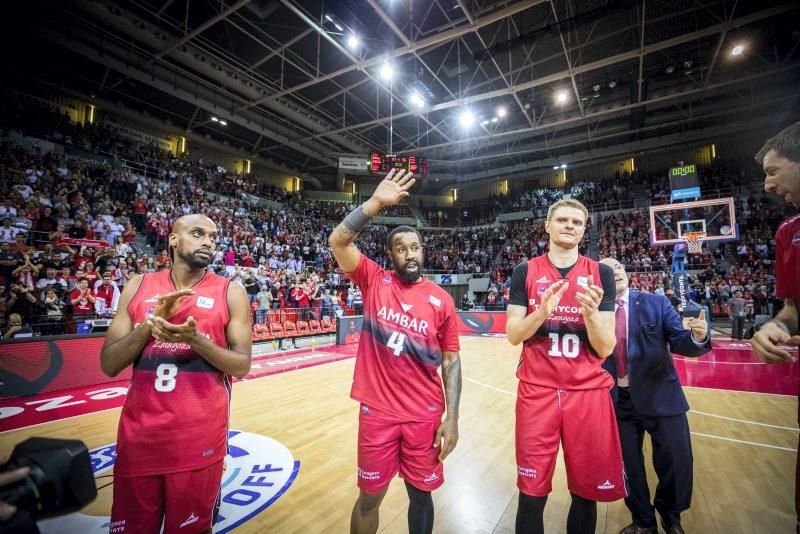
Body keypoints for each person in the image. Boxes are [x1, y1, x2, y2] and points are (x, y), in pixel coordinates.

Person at [328, 168, 461, 534]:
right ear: (391, 255)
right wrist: (373, 203)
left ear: (423, 250)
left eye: (415, 247)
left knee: (421, 496)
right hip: (379, 412)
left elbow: (451, 361)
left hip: (424, 413)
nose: (409, 254)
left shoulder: (442, 300)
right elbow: (338, 242)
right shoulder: (374, 279)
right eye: (401, 249)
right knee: (370, 498)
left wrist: (452, 417)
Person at [100, 214, 252, 533]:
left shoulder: (231, 291)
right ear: (173, 240)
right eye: (197, 233)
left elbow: (241, 365)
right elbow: (109, 363)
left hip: (199, 439)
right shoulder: (137, 286)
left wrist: (195, 340)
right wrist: (150, 325)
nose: (208, 241)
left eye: (213, 235)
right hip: (139, 437)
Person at [506, 198, 623, 534]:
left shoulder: (600, 273)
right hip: (537, 391)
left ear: (584, 230)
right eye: (562, 220)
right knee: (531, 493)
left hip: (586, 392)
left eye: (577, 222)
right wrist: (541, 312)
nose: (570, 226)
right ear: (547, 225)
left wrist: (589, 315)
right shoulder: (525, 271)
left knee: (585, 494)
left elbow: (605, 347)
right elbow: (513, 335)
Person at [599, 258, 711, 534]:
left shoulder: (655, 303)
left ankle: (671, 516)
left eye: (620, 268)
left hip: (661, 394)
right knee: (628, 465)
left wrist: (698, 337)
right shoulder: (594, 312)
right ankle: (643, 521)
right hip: (618, 400)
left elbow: (681, 341)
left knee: (675, 460)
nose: (617, 273)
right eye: (608, 271)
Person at [749, 122, 800, 534]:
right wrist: (777, 327)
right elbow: (791, 308)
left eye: (773, 170)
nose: (767, 185)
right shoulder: (789, 232)